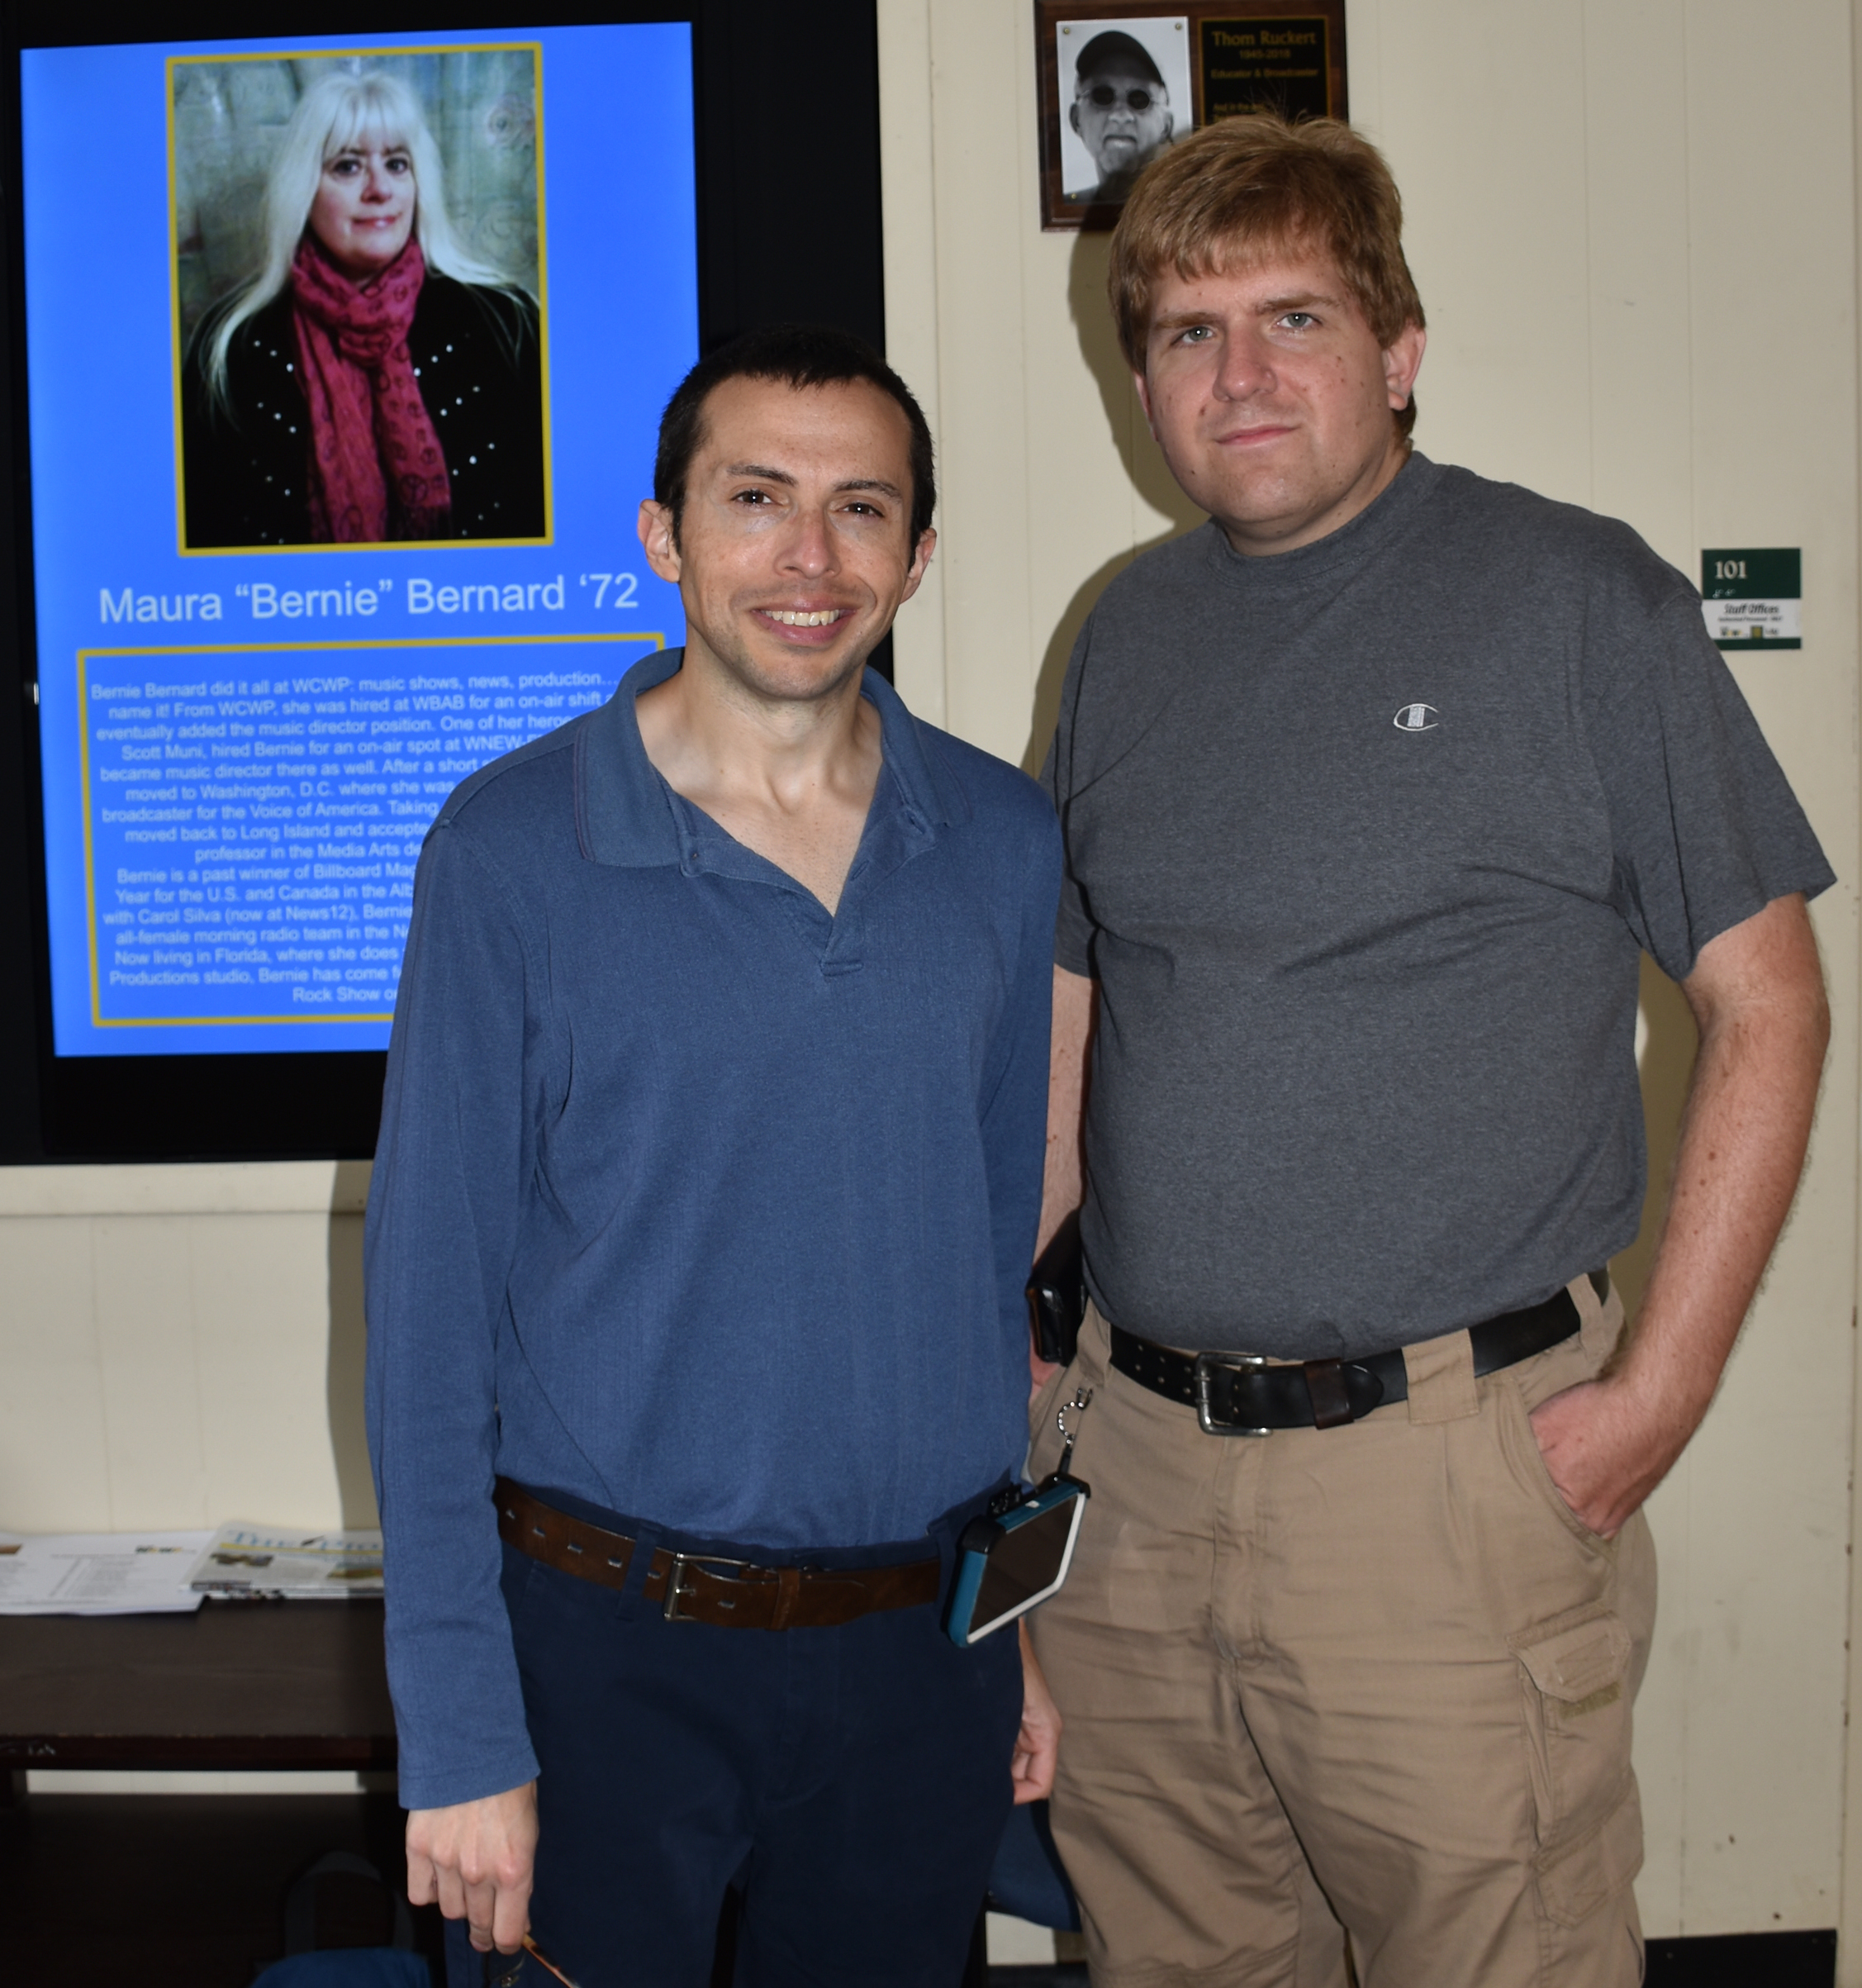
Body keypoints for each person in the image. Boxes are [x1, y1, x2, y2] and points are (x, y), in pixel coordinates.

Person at [1028, 115, 1832, 1986]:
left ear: (1398, 350)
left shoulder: (1579, 603)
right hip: (1131, 1480)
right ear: (1141, 381)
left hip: (1445, 1493)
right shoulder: (1122, 638)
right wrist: (1026, 1371)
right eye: (1188, 331)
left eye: (1294, 319)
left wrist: (1658, 1398)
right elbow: (1073, 1021)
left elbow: (1770, 1004)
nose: (1238, 375)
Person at [364, 324, 1065, 1987]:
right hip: (603, 1659)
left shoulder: (1000, 841)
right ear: (663, 536)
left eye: (859, 509)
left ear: (917, 552)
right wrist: (459, 1730)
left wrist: (1010, 1634)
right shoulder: (508, 850)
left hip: (915, 1657)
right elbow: (426, 1326)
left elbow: (984, 1284)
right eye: (754, 500)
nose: (808, 557)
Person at [181, 71, 544, 548]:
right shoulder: (229, 346)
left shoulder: (507, 323)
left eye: (397, 164)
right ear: (303, 188)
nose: (380, 189)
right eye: (348, 166)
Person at [1063, 30, 1176, 206]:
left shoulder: (1186, 210)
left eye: (1139, 100)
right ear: (1076, 119)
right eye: (1102, 96)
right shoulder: (1069, 205)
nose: (1121, 116)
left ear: (1166, 126)